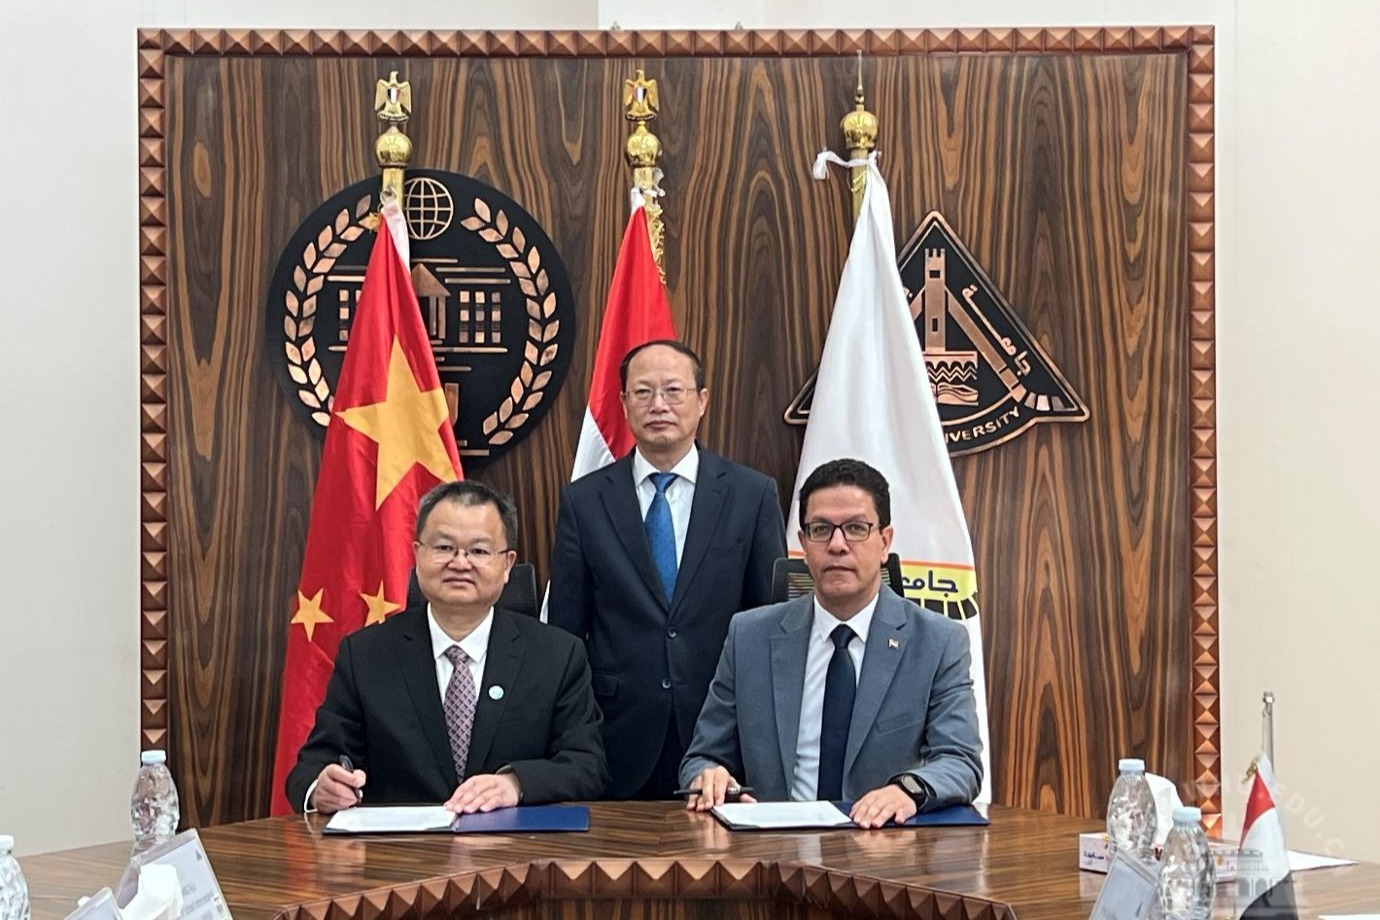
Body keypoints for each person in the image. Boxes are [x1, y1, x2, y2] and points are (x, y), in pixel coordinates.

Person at [679, 458, 982, 828]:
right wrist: (710, 776)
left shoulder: (937, 641)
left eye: (856, 528)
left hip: (881, 847)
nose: (838, 545)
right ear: (804, 544)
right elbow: (702, 757)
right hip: (771, 849)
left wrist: (907, 790)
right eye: (821, 529)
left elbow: (960, 760)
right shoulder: (749, 636)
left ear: (885, 542)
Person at [548, 340, 787, 799]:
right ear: (624, 404)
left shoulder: (751, 495)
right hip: (614, 733)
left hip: (722, 730)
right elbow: (566, 630)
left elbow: (769, 624)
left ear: (702, 400)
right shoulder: (584, 500)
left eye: (674, 390)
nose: (659, 405)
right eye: (643, 392)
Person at [286, 480, 608, 814]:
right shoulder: (365, 655)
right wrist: (321, 787)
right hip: (400, 845)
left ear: (508, 565)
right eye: (443, 547)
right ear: (417, 554)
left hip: (512, 844)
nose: (460, 563)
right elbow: (312, 766)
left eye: (479, 551)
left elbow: (588, 766)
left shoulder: (557, 655)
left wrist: (516, 783)